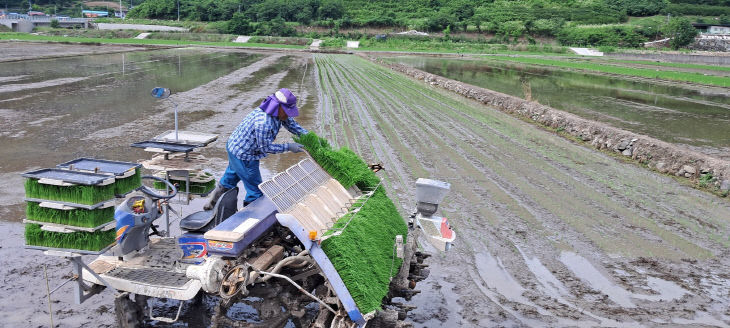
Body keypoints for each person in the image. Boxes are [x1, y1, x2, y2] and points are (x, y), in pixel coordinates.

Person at [204, 88, 308, 210]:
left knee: (230, 178)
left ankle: (210, 206)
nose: (288, 114)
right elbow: (265, 147)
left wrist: (308, 137)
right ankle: (250, 218)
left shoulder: (278, 113)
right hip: (244, 154)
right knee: (255, 191)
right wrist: (289, 147)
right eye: (287, 111)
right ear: (278, 107)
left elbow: (292, 125)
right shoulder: (264, 122)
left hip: (234, 146)